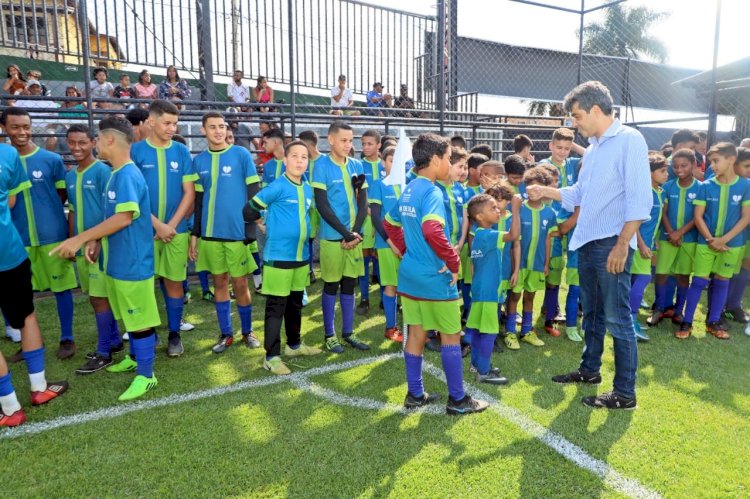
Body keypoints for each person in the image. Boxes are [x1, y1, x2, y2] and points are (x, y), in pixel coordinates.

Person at [527, 80, 652, 411]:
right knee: (593, 313)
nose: (574, 123)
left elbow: (642, 199)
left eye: (577, 115)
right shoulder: (595, 148)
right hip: (588, 242)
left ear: (596, 110)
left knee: (617, 318)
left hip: (611, 243)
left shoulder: (629, 141)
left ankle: (625, 393)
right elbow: (579, 194)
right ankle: (589, 371)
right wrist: (547, 191)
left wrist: (623, 243)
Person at [52, 117, 161, 401]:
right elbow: (112, 218)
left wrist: (79, 237)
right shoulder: (115, 173)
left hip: (133, 263)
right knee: (128, 314)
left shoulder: (127, 174)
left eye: (97, 139)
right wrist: (96, 239)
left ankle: (146, 376)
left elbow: (124, 217)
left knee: (139, 319)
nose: (96, 144)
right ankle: (136, 359)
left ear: (110, 140)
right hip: (117, 261)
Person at [383, 133, 488, 415]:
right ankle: (458, 399)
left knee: (416, 332)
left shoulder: (408, 188)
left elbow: (390, 222)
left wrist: (408, 251)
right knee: (451, 335)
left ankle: (415, 394)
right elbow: (432, 229)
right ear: (434, 160)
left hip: (410, 276)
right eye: (446, 157)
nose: (449, 162)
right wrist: (453, 262)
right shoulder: (431, 191)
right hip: (434, 276)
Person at [0, 142, 69, 427]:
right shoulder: (7, 153)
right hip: (10, 252)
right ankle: (39, 389)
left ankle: (9, 407)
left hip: (11, 254)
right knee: (26, 316)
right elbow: (12, 201)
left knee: (25, 316)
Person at [2, 108, 78, 361]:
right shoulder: (5, 159)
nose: (22, 132)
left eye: (26, 126)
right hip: (18, 240)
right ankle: (28, 343)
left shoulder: (51, 160)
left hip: (52, 237)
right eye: (15, 127)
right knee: (23, 296)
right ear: (4, 128)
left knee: (62, 289)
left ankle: (67, 338)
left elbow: (62, 195)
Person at [248, 140, 322, 374]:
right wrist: (262, 223)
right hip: (279, 257)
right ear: (285, 160)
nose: (300, 161)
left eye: (304, 157)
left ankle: (294, 345)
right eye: (295, 156)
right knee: (276, 307)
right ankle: (271, 356)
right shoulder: (277, 186)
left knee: (294, 304)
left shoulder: (307, 187)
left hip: (301, 256)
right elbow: (248, 209)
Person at [131, 100, 197, 357]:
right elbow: (132, 195)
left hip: (175, 231)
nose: (172, 128)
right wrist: (156, 224)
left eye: (175, 124)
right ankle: (147, 333)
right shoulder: (136, 152)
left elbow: (189, 194)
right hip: (144, 230)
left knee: (174, 283)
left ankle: (174, 334)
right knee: (144, 284)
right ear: (151, 121)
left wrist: (170, 225)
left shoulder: (181, 151)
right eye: (167, 123)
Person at [190, 112, 261, 353]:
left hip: (236, 234)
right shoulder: (198, 161)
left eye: (221, 126)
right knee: (219, 283)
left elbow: (254, 192)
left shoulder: (241, 154)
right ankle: (226, 334)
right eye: (212, 127)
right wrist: (195, 234)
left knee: (241, 284)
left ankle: (248, 331)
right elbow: (199, 201)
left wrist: (249, 228)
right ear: (203, 131)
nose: (218, 131)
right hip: (210, 235)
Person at [63, 125, 124, 373]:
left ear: (93, 143)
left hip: (98, 247)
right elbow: (74, 210)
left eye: (82, 143)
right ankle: (115, 341)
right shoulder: (70, 175)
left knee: (100, 299)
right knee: (94, 298)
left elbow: (110, 212)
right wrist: (72, 241)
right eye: (72, 143)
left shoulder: (102, 172)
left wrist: (96, 240)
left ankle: (104, 353)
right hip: (80, 248)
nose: (76, 148)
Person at [678, 142, 750, 340]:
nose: (713, 165)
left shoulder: (745, 185)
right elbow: (698, 216)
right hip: (706, 243)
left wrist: (724, 239)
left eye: (716, 161)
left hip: (732, 245)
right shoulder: (707, 186)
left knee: (722, 280)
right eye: (711, 161)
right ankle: (687, 321)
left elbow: (746, 217)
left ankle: (714, 322)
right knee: (699, 281)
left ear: (731, 159)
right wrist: (711, 239)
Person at [310, 121, 370, 353]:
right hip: (333, 238)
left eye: (350, 140)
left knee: (349, 285)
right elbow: (323, 206)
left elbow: (363, 202)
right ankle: (329, 335)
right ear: (331, 140)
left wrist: (354, 232)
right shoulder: (321, 166)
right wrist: (346, 234)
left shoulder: (357, 164)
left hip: (353, 237)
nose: (348, 144)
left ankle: (348, 333)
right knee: (331, 285)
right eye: (344, 140)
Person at [465, 192, 520, 384]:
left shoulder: (479, 235)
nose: (498, 211)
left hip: (479, 290)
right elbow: (514, 235)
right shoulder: (489, 235)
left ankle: (477, 364)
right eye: (493, 208)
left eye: (498, 207)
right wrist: (515, 210)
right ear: (479, 216)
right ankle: (484, 372)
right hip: (489, 292)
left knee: (480, 329)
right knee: (489, 331)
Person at [503, 166, 558, 350]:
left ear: (545, 189)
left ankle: (526, 330)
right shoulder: (517, 208)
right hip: (519, 264)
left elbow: (548, 239)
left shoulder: (550, 213)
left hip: (536, 264)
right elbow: (513, 238)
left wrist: (546, 263)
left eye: (538, 187)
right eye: (530, 187)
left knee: (530, 296)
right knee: (514, 296)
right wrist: (514, 266)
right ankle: (510, 331)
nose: (533, 191)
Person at [648, 149, 701, 330]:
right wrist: (671, 232)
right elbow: (663, 212)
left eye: (684, 165)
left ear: (694, 165)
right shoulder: (668, 187)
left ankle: (678, 311)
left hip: (689, 239)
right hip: (667, 238)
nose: (679, 169)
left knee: (683, 275)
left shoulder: (700, 188)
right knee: (662, 273)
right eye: (675, 166)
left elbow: (698, 216)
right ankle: (660, 308)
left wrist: (681, 233)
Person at [628, 153, 667, 342]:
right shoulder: (645, 193)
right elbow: (632, 221)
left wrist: (654, 240)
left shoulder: (658, 191)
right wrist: (642, 244)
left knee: (635, 280)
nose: (667, 174)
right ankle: (630, 322)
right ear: (649, 173)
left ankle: (627, 320)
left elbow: (654, 221)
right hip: (637, 244)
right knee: (644, 279)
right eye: (662, 171)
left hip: (648, 243)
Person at [369, 146, 403, 342]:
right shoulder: (379, 185)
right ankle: (391, 328)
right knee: (391, 286)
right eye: (391, 160)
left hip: (407, 246)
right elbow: (375, 218)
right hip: (387, 245)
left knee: (408, 286)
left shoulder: (408, 185)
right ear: (384, 162)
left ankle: (411, 328)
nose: (395, 165)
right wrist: (391, 243)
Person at [356, 129, 385, 315]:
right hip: (366, 219)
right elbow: (357, 193)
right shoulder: (358, 166)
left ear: (379, 145)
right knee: (365, 261)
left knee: (382, 260)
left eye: (370, 143)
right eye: (363, 143)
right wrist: (369, 213)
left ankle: (386, 297)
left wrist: (379, 218)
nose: (366, 147)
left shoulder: (386, 165)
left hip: (383, 220)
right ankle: (364, 299)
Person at [724, 146, 750, 324]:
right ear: (733, 164)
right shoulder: (719, 182)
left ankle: (734, 305)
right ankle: (720, 307)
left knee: (745, 269)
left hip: (746, 235)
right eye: (747, 165)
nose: (749, 170)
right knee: (724, 273)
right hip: (729, 237)